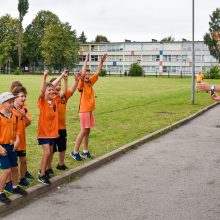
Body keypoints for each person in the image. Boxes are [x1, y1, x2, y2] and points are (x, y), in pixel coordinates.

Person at [70, 53, 107, 161]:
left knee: (88, 131)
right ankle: (74, 151)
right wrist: (85, 61)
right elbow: (81, 75)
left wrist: (101, 62)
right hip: (84, 110)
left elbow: (97, 72)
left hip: (89, 110)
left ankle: (85, 151)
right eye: (85, 75)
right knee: (83, 130)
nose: (86, 76)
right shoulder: (81, 84)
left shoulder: (90, 82)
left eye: (87, 75)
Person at [37, 70, 67, 185]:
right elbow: (43, 90)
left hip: (52, 133)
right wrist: (45, 78)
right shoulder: (42, 101)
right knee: (47, 152)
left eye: (52, 90)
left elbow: (62, 92)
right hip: (43, 133)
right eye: (49, 90)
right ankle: (42, 175)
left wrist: (63, 77)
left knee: (49, 153)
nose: (51, 91)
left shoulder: (55, 100)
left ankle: (43, 171)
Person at [48, 71, 80, 171]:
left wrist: (75, 81)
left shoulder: (63, 95)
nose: (59, 86)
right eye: (57, 84)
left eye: (60, 85)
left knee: (62, 148)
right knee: (51, 150)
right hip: (52, 128)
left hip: (62, 127)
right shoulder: (49, 96)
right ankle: (48, 168)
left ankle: (61, 164)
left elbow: (72, 90)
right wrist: (61, 77)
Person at [0, 92, 27, 204]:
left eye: (12, 102)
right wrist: (0, 148)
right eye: (9, 102)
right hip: (2, 147)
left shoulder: (14, 116)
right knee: (7, 171)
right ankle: (0, 192)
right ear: (2, 103)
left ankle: (15, 187)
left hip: (12, 146)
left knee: (15, 168)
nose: (12, 104)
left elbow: (17, 131)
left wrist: (17, 140)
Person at [12, 86, 32, 186]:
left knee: (23, 161)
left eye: (25, 96)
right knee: (13, 164)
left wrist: (23, 115)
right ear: (15, 97)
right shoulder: (9, 108)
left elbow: (28, 123)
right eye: (21, 96)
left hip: (22, 140)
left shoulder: (24, 109)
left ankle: (22, 178)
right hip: (12, 142)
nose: (24, 98)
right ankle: (9, 182)